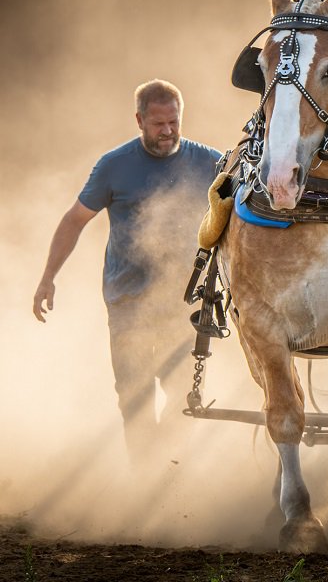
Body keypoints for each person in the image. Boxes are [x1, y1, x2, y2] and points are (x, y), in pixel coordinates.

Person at [33, 79, 221, 466]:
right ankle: (142, 476)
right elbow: (74, 221)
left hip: (183, 301)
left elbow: (241, 219)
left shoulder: (208, 163)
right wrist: (47, 277)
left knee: (183, 391)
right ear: (139, 120)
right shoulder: (113, 166)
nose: (168, 132)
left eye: (174, 123)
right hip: (128, 301)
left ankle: (171, 480)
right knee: (134, 394)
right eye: (158, 124)